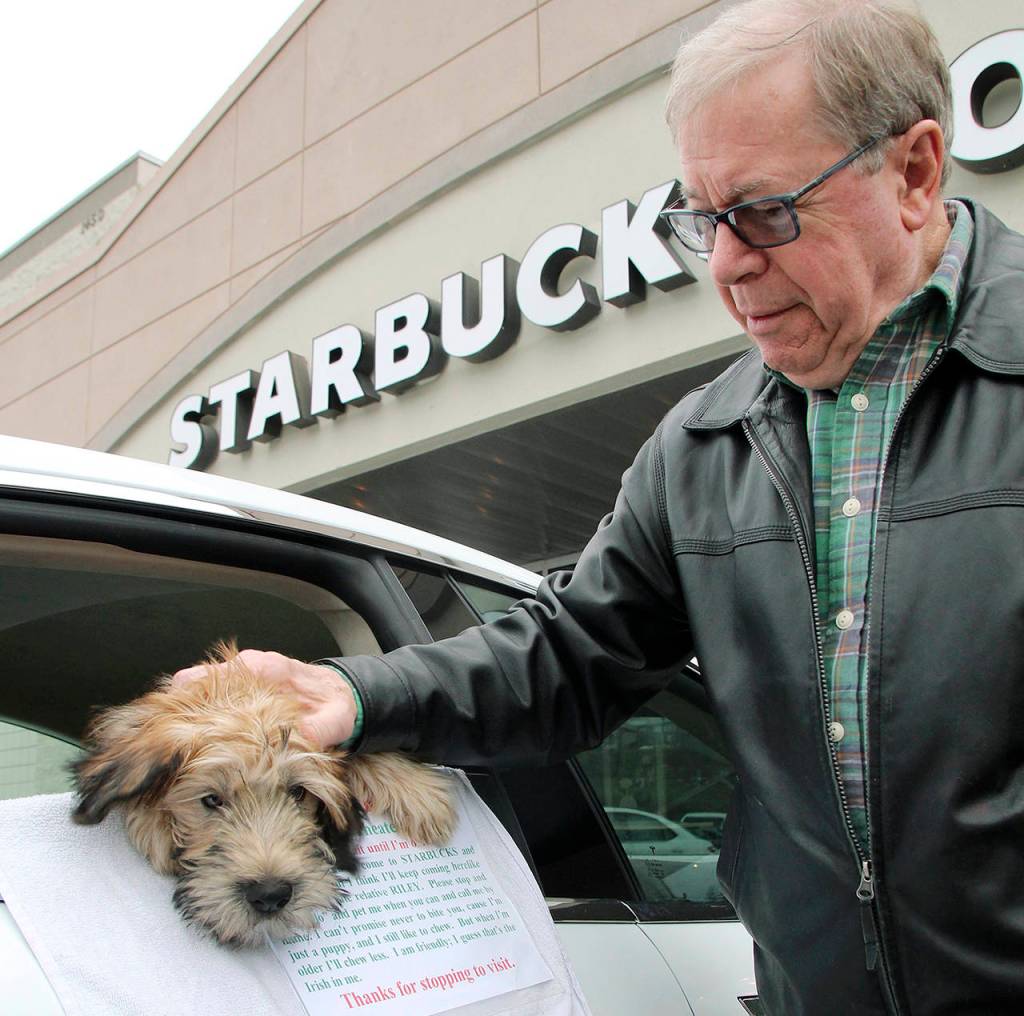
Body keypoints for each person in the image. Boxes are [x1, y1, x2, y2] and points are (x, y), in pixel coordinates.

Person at [175, 1, 1024, 1011]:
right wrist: (359, 697)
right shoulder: (701, 445)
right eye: (700, 219)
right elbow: (569, 654)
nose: (724, 264)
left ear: (916, 173)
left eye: (763, 212)